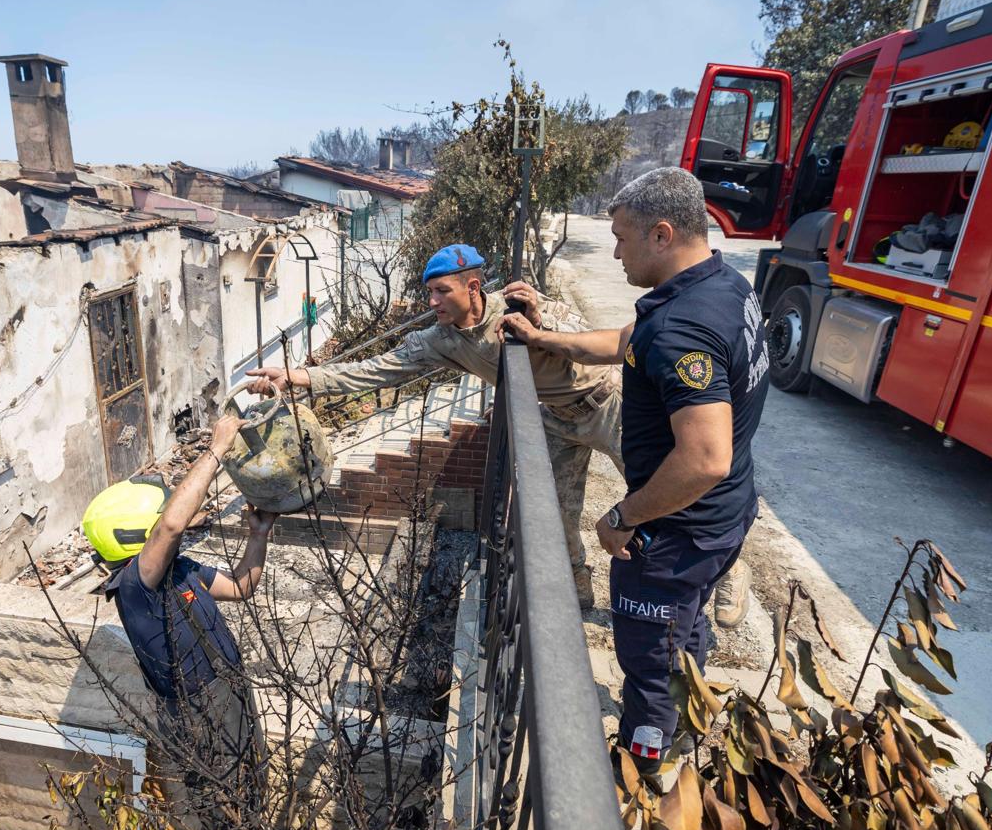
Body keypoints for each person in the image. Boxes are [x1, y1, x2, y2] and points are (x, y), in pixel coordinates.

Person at [499, 168, 769, 771]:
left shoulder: (683, 328)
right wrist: (548, 338)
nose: (614, 249)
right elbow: (630, 339)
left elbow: (704, 457)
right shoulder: (722, 287)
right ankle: (690, 705)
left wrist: (622, 516)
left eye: (622, 237)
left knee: (647, 660)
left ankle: (647, 765)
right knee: (685, 627)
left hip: (676, 531)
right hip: (726, 514)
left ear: (662, 235)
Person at [245, 243, 620, 609]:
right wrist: (300, 376)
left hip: (605, 402)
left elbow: (587, 335)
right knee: (557, 516)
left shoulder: (517, 306)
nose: (432, 302)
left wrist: (540, 322)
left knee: (656, 495)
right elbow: (374, 370)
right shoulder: (441, 340)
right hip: (556, 420)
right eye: (430, 292)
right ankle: (578, 584)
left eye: (442, 291)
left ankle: (663, 602)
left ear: (473, 288)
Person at [83, 412, 276, 830]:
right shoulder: (134, 586)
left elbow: (242, 587)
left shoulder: (180, 569)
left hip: (229, 693)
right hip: (198, 713)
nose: (177, 516)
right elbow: (171, 524)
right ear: (140, 533)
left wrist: (258, 535)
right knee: (224, 820)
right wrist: (217, 447)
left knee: (251, 795)